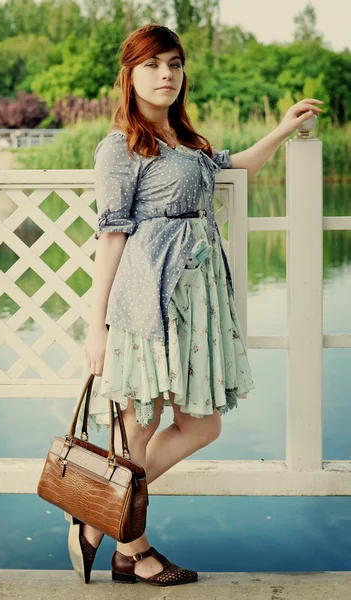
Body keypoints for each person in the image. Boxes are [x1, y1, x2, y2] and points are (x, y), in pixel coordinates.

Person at [67, 23, 324, 587]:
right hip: (146, 298)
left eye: (175, 65)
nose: (166, 74)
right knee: (139, 423)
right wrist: (96, 326)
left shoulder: (189, 142)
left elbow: (236, 169)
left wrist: (282, 130)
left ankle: (96, 511)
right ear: (130, 75)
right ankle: (134, 549)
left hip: (199, 304)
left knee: (202, 424)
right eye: (154, 64)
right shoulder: (120, 146)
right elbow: (111, 236)